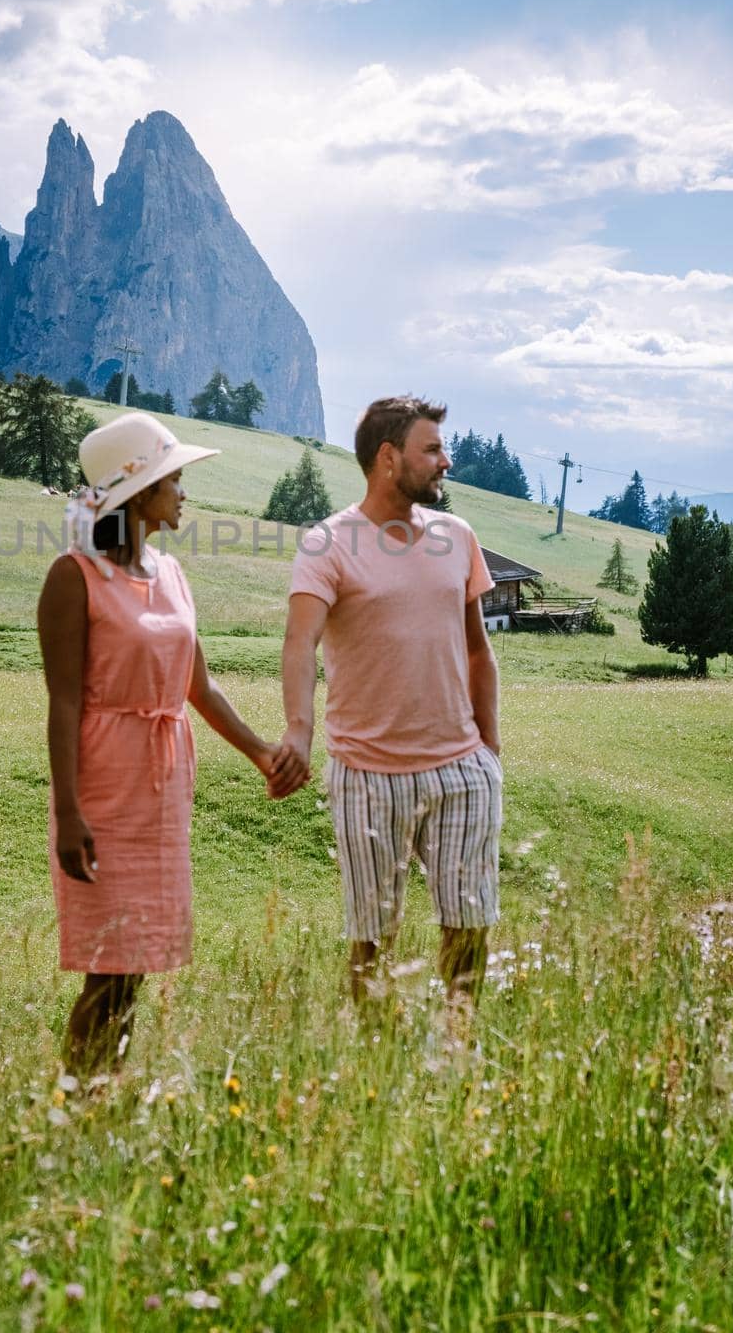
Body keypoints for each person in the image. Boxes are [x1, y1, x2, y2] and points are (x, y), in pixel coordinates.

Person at [38, 411, 307, 1074]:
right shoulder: (73, 577)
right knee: (109, 964)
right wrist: (69, 813)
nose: (184, 493)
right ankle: (80, 1105)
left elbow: (199, 687)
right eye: (174, 480)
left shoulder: (171, 574)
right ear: (138, 494)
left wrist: (263, 754)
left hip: (162, 783)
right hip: (103, 783)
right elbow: (64, 700)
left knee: (137, 964)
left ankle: (103, 1096)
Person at [273, 395, 501, 1037]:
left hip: (461, 772)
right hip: (367, 775)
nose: (445, 462)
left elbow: (479, 652)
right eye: (432, 449)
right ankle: (377, 1060)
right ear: (387, 457)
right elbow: (299, 643)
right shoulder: (328, 543)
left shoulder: (457, 538)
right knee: (373, 936)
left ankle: (457, 1045)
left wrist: (491, 754)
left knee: (470, 923)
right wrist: (299, 729)